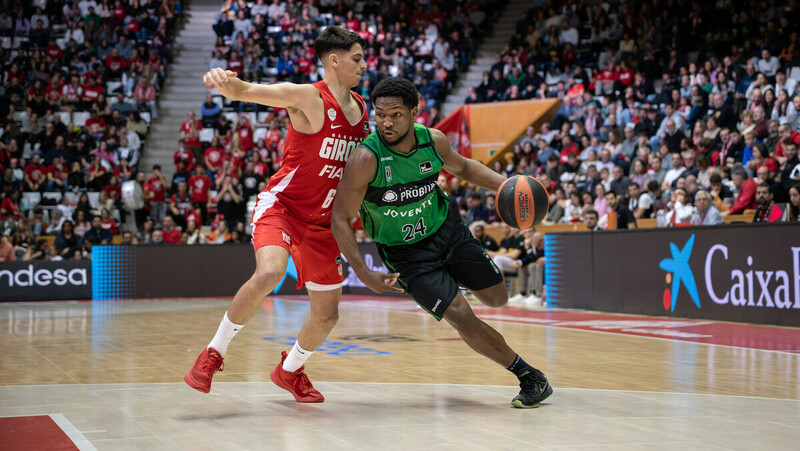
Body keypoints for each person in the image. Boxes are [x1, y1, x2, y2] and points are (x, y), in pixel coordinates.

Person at [331, 77, 552, 409]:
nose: (387, 123)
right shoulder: (367, 159)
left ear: (414, 112)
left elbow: (464, 168)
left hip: (447, 230)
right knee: (460, 314)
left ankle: (451, 281)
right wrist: (362, 271)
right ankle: (529, 377)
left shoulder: (432, 141)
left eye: (396, 115)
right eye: (380, 115)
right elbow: (339, 217)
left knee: (497, 298)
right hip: (407, 256)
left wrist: (508, 186)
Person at [185, 27, 370, 403]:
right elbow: (245, 91)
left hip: (324, 223)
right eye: (357, 58)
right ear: (334, 60)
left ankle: (289, 371)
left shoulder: (364, 110)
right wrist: (220, 79)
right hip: (283, 208)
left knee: (327, 315)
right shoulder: (306, 96)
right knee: (269, 272)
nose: (364, 65)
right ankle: (213, 354)